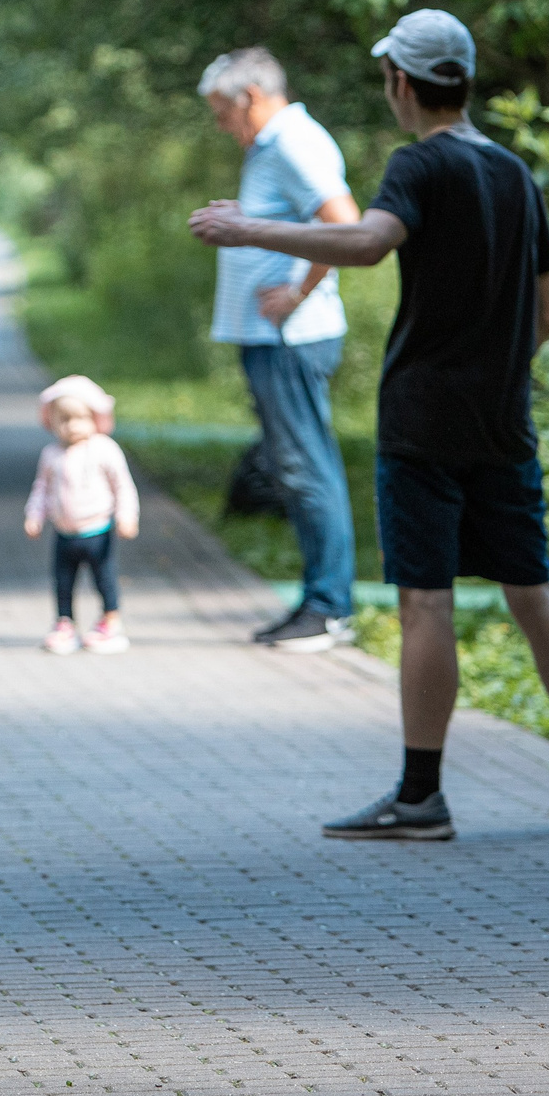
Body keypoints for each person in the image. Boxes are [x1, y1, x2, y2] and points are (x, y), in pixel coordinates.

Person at [187, 9, 549, 838]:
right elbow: (545, 314)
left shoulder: (420, 165)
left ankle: (421, 795)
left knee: (425, 604)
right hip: (505, 423)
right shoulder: (514, 173)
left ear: (403, 82)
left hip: (423, 422)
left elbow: (365, 242)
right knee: (534, 595)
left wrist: (244, 228)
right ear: (461, 81)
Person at [195, 47, 358, 653]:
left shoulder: (293, 142)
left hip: (291, 337)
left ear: (251, 97)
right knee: (297, 467)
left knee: (306, 466)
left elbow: (344, 225)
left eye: (222, 111)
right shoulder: (273, 145)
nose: (220, 125)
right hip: (271, 338)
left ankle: (329, 608)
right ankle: (321, 601)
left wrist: (297, 292)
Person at [25, 377, 139, 655]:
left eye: (79, 418)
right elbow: (41, 488)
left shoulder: (104, 449)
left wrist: (127, 516)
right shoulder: (51, 454)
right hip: (64, 533)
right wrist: (34, 515)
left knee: (105, 578)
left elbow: (122, 485)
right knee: (63, 580)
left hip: (98, 532)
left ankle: (110, 620)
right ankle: (65, 623)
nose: (71, 426)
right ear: (50, 420)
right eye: (62, 419)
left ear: (96, 418)